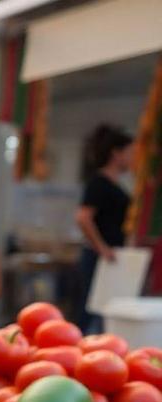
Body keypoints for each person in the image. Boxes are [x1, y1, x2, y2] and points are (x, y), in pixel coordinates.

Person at [75, 124, 134, 333]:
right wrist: (101, 247)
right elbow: (83, 217)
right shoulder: (99, 183)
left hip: (111, 257)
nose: (132, 157)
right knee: (91, 310)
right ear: (115, 154)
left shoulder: (116, 184)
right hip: (99, 258)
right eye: (129, 152)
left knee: (105, 311)